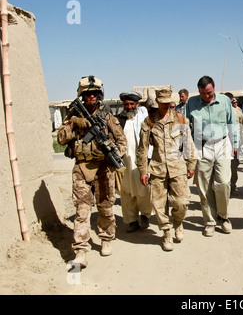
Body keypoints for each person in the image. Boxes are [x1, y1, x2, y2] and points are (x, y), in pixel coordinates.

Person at [57, 76, 127, 267]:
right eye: (87, 94)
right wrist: (73, 123)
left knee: (105, 207)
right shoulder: (72, 114)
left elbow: (123, 143)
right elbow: (61, 139)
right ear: (82, 95)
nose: (91, 97)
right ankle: (80, 249)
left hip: (104, 168)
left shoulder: (108, 117)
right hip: (82, 168)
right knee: (82, 210)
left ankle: (106, 238)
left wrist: (111, 151)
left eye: (95, 93)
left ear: (100, 94)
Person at [136, 87, 196, 251]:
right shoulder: (149, 122)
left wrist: (191, 165)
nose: (164, 106)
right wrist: (142, 170)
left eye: (167, 103)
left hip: (177, 167)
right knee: (159, 205)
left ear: (171, 102)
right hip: (157, 168)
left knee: (181, 202)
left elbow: (188, 144)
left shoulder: (180, 119)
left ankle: (178, 222)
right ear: (157, 102)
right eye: (161, 103)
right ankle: (166, 234)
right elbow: (142, 149)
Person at [185, 76, 239, 237]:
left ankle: (223, 217)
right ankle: (209, 221)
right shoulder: (191, 103)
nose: (206, 96)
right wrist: (187, 150)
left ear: (214, 88)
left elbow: (232, 123)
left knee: (223, 182)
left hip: (222, 144)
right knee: (204, 186)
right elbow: (186, 126)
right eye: (203, 94)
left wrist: (235, 143)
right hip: (201, 146)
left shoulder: (224, 101)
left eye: (209, 93)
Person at [116, 91, 154, 233]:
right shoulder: (119, 120)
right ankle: (131, 220)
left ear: (136, 104)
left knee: (144, 190)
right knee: (126, 193)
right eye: (127, 104)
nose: (129, 107)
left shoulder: (144, 118)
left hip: (141, 162)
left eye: (132, 104)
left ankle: (145, 216)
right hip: (125, 162)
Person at [225, 92, 243, 196]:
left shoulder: (238, 113)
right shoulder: (218, 112)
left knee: (233, 166)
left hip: (234, 145)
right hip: (220, 145)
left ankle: (232, 187)